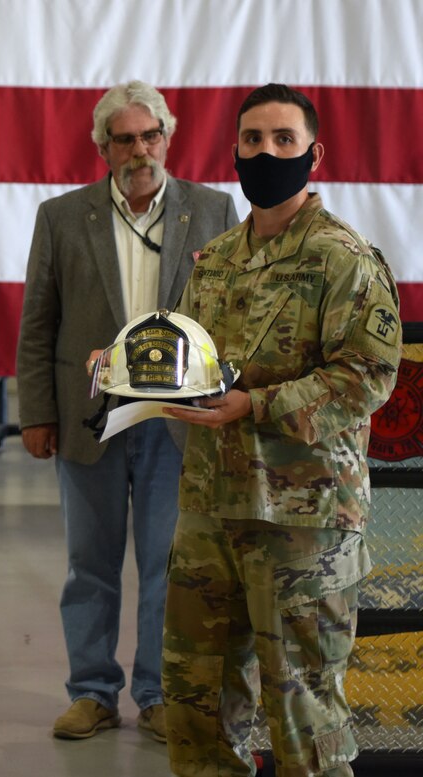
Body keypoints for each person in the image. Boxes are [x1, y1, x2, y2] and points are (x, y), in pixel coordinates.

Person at [162, 84, 401, 776]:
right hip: (210, 507)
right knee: (195, 703)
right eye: (253, 140)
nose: (266, 152)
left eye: (283, 140)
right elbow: (189, 358)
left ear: (313, 154)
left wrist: (258, 405)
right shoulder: (216, 260)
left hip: (304, 520)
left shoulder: (342, 259)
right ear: (233, 151)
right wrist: (125, 368)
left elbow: (366, 377)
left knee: (302, 717)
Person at [16, 81, 238, 742]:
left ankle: (160, 692)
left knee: (170, 563)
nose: (139, 150)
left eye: (150, 136)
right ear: (103, 147)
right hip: (91, 420)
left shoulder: (214, 210)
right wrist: (36, 411)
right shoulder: (61, 216)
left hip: (179, 424)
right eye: (124, 139)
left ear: (168, 138)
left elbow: (231, 316)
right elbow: (38, 325)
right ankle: (92, 691)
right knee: (91, 562)